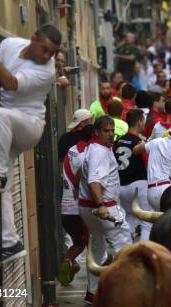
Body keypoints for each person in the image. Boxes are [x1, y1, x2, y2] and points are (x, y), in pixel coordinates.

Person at [0, 25, 61, 261]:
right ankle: (10, 242)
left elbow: (10, 83)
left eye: (51, 53)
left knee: (1, 115)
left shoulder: (46, 71)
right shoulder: (11, 45)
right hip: (7, 131)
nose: (46, 56)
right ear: (32, 39)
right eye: (44, 49)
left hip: (29, 127)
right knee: (4, 188)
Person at [78, 116, 132, 303]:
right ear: (96, 132)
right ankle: (126, 293)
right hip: (103, 209)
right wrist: (101, 205)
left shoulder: (92, 148)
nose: (111, 135)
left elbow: (81, 176)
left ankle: (93, 292)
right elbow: (94, 180)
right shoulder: (99, 151)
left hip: (88, 208)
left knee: (97, 248)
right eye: (106, 131)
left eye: (112, 131)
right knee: (125, 247)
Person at [57, 109, 93, 286]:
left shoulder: (69, 148)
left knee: (78, 240)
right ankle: (92, 287)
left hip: (65, 206)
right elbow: (88, 179)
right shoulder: (89, 154)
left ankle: (69, 263)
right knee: (88, 243)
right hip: (81, 206)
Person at [134, 117, 171, 210]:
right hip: (168, 191)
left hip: (151, 192)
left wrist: (144, 143)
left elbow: (135, 150)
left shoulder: (156, 142)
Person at [114, 109, 152, 241]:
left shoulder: (118, 141)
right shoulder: (140, 143)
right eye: (143, 121)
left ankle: (126, 252)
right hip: (138, 185)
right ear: (140, 122)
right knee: (147, 223)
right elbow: (148, 165)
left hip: (120, 187)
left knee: (129, 219)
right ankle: (144, 253)